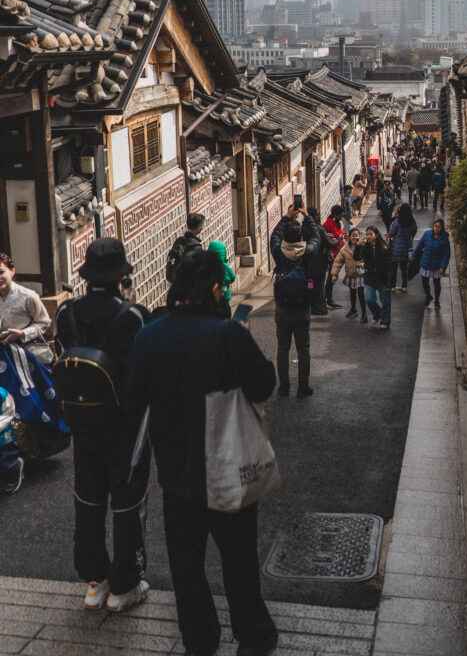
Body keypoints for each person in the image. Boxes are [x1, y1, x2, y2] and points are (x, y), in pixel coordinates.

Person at [127, 248, 278, 656]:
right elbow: (264, 384)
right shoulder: (227, 334)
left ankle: (200, 639)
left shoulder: (148, 336)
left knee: (187, 567)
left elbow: (135, 396)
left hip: (176, 473)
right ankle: (253, 635)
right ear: (214, 288)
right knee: (239, 560)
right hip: (228, 468)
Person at [54, 238, 150, 613]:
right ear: (121, 277)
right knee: (128, 504)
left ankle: (94, 581)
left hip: (83, 423)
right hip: (126, 427)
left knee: (88, 500)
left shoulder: (67, 314)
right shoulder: (133, 316)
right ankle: (125, 585)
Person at [0, 252, 69, 463]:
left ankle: (38, 443)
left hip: (26, 356)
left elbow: (44, 322)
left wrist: (21, 333)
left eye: (1, 272)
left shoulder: (27, 296)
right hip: (4, 358)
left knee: (33, 403)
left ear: (12, 271)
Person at [270, 204, 321, 398]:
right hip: (303, 306)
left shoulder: (278, 251)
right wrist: (307, 217)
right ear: (301, 237)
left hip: (282, 308)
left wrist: (286, 217)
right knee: (303, 348)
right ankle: (303, 387)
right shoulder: (307, 251)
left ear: (285, 238)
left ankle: (284, 387)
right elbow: (316, 237)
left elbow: (274, 236)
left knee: (283, 348)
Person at [412, 218, 451, 309]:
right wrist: (414, 254)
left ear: (442, 228)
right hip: (426, 262)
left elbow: (446, 254)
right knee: (424, 281)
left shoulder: (444, 239)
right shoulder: (427, 234)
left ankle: (437, 300)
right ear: (433, 226)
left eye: (439, 227)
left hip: (436, 264)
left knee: (436, 283)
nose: (437, 228)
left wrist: (443, 267)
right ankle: (428, 295)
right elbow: (420, 245)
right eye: (435, 226)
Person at [330, 227, 367, 321]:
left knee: (361, 294)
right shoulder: (345, 249)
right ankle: (353, 309)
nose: (355, 237)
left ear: (360, 236)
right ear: (349, 237)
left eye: (357, 235)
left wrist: (363, 265)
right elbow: (338, 262)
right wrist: (334, 275)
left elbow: (370, 259)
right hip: (351, 274)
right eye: (353, 236)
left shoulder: (364, 246)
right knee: (352, 293)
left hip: (361, 274)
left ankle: (364, 313)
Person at [361, 226, 392, 329]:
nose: (368, 236)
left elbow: (390, 267)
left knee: (385, 301)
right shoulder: (366, 247)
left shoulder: (384, 248)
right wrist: (358, 245)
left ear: (376, 235)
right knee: (369, 298)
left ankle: (385, 321)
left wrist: (389, 282)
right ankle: (377, 313)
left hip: (383, 279)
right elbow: (357, 257)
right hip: (370, 278)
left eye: (370, 234)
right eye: (367, 234)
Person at [166, 212, 205, 283]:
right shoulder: (195, 246)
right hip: (188, 286)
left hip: (176, 283)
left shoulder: (179, 241)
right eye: (201, 225)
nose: (202, 228)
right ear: (199, 227)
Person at [306, 206, 332, 316]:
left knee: (310, 285)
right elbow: (329, 244)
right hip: (319, 264)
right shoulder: (319, 230)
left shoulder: (304, 228)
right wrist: (339, 240)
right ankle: (320, 307)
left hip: (308, 265)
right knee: (320, 286)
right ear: (316, 216)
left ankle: (310, 306)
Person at [389, 203, 417, 291]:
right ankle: (404, 286)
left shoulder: (397, 221)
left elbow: (392, 233)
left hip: (396, 247)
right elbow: (414, 230)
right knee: (404, 268)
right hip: (406, 247)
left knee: (393, 268)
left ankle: (392, 286)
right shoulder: (411, 221)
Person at [0, 386, 23, 494]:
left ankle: (15, 470)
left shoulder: (2, 394)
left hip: (2, 433)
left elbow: (9, 411)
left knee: (7, 455)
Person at [322, 205, 345, 310]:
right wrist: (340, 238)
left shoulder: (336, 223)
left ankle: (328, 299)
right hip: (333, 255)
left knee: (332, 278)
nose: (343, 215)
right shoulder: (327, 225)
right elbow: (334, 238)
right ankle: (328, 300)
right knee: (331, 278)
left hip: (338, 253)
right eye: (341, 214)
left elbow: (339, 234)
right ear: (336, 214)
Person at [207, 240, 237, 318]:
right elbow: (232, 277)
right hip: (224, 297)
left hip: (211, 299)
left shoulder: (207, 266)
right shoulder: (223, 266)